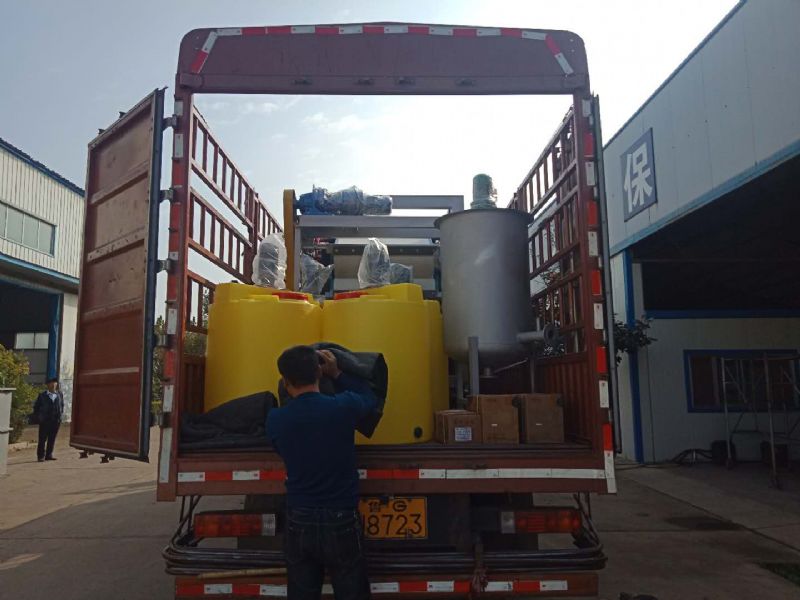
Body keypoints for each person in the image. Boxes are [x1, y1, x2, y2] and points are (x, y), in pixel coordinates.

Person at [267, 346, 377, 600]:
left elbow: (281, 447)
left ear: (285, 381)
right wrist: (338, 373)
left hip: (299, 518)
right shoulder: (343, 407)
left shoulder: (276, 420)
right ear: (319, 372)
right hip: (341, 516)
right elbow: (369, 398)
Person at [33, 377, 64, 462]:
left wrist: (60, 416)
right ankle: (40, 456)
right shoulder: (42, 395)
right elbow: (36, 407)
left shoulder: (59, 394)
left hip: (56, 421)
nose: (53, 385)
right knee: (42, 439)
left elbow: (62, 405)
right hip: (45, 421)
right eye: (51, 383)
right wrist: (39, 417)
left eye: (55, 383)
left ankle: (49, 455)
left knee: (52, 438)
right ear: (48, 385)